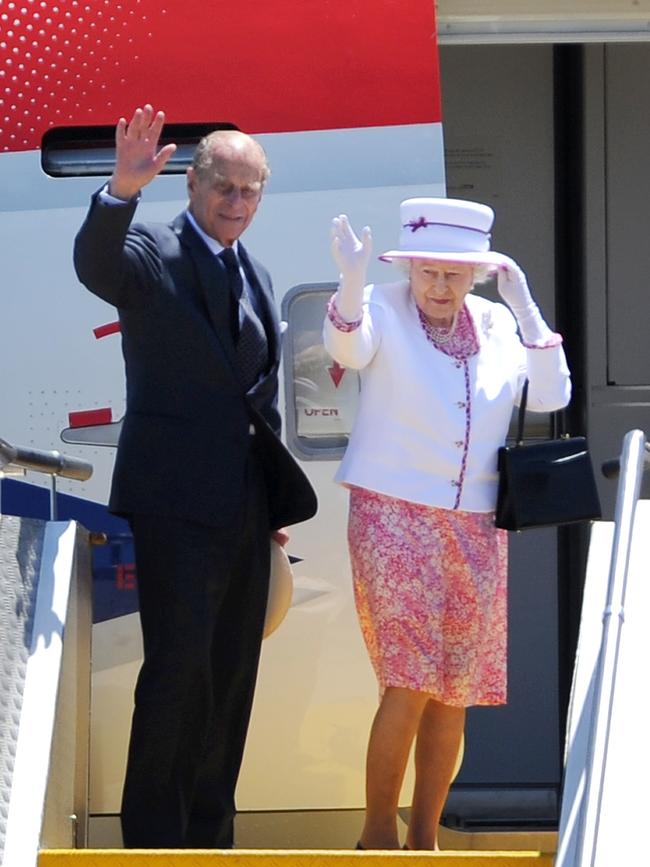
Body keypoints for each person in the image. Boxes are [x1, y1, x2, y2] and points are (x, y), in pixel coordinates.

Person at [74, 105, 316, 849]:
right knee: (178, 672)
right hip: (175, 502)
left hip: (243, 504)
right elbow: (97, 265)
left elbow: (258, 398)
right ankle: (154, 843)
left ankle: (211, 840)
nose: (236, 202)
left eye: (250, 191)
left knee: (231, 675)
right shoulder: (150, 248)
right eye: (224, 187)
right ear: (193, 183)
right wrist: (120, 190)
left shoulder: (258, 270)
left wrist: (267, 496)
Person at [323, 197, 571, 851]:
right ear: (409, 267)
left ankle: (425, 838)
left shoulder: (495, 322)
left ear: (479, 274)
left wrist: (525, 309)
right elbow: (346, 346)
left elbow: (552, 395)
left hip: (475, 526)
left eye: (455, 274)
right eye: (428, 271)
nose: (439, 286)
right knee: (408, 679)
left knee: (452, 691)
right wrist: (350, 281)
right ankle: (378, 833)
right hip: (392, 513)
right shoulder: (380, 305)